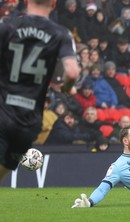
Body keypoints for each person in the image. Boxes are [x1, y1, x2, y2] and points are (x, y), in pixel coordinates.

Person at [0, 0, 79, 181]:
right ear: (53, 4)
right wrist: (67, 88)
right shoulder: (61, 34)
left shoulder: (7, 26)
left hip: (3, 111)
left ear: (26, 2)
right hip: (28, 121)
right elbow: (73, 72)